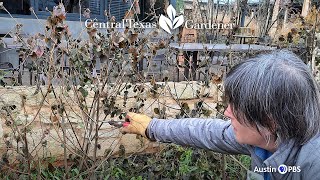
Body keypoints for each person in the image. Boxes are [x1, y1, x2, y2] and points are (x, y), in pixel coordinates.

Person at [121, 50, 320, 180]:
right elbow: (207, 132)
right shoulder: (265, 136)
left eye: (237, 106)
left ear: (269, 119)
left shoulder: (313, 166)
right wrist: (152, 127)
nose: (227, 112)